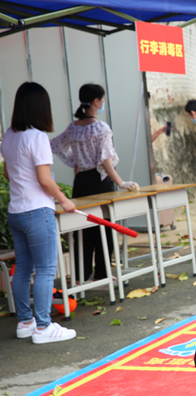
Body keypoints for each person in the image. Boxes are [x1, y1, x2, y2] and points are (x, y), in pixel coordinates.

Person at [1, 82, 78, 344]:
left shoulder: (9, 135)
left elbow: (7, 173)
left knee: (22, 268)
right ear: (40, 108)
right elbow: (45, 180)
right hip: (37, 211)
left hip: (17, 212)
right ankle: (44, 327)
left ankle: (25, 322)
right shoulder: (37, 137)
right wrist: (64, 200)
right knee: (45, 270)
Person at [51, 84, 139, 283]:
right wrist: (121, 182)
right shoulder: (101, 127)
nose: (102, 103)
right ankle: (103, 273)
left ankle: (82, 275)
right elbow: (105, 160)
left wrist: (74, 161)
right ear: (96, 102)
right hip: (100, 182)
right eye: (102, 99)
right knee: (104, 226)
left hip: (80, 182)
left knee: (82, 228)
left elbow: (54, 145)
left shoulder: (73, 127)